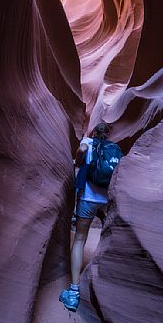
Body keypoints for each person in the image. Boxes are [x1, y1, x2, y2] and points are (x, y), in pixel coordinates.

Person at [59, 122, 121, 312]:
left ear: (94, 132)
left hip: (88, 199)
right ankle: (109, 283)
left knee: (79, 240)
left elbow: (81, 153)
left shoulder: (88, 141)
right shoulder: (114, 148)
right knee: (110, 237)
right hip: (108, 199)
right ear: (108, 134)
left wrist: (80, 157)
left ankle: (74, 293)